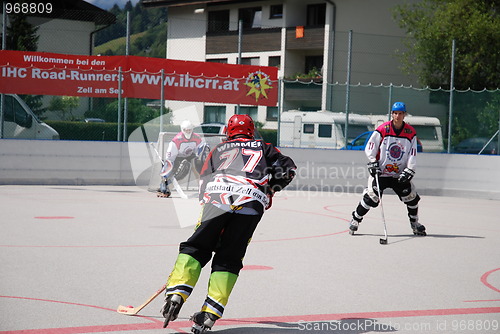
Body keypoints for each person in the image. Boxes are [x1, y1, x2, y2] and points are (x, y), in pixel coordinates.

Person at [160, 114, 297, 333]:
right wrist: (272, 188)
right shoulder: (264, 146)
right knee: (229, 258)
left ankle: (177, 292)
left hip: (218, 197)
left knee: (197, 246)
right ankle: (210, 313)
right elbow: (288, 170)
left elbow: (204, 180)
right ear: (251, 131)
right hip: (252, 202)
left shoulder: (219, 149)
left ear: (228, 131)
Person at [349, 102, 426, 236]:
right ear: (392, 114)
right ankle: (355, 219)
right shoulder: (383, 129)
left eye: (400, 113)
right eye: (395, 113)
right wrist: (373, 162)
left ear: (404, 115)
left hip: (398, 174)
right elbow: (370, 147)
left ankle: (414, 223)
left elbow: (412, 153)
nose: (397, 116)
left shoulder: (410, 132)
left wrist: (410, 169)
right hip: (381, 172)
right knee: (372, 198)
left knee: (411, 197)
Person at [157, 120, 208, 197]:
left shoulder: (197, 137)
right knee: (180, 172)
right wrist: (166, 174)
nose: (188, 132)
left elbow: (200, 150)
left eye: (189, 130)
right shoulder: (176, 140)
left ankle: (202, 188)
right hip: (177, 157)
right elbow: (170, 159)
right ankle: (165, 186)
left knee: (198, 167)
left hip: (190, 156)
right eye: (185, 130)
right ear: (182, 129)